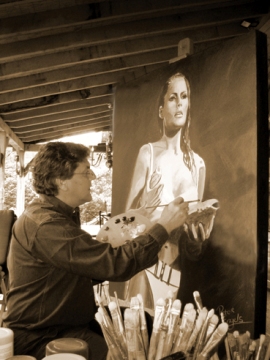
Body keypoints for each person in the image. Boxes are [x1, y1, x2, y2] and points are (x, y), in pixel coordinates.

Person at [2, 141, 189, 360]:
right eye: (86, 171)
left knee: (143, 324)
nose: (93, 176)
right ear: (61, 181)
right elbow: (115, 264)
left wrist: (125, 233)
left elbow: (85, 265)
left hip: (66, 322)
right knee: (126, 354)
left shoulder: (58, 215)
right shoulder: (46, 225)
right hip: (41, 335)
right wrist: (164, 227)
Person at [120, 72, 215, 309]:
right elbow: (124, 223)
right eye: (172, 98)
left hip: (176, 272)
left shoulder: (198, 164)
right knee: (136, 335)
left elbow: (193, 243)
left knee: (164, 342)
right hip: (144, 264)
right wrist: (144, 209)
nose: (180, 102)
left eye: (184, 96)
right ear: (161, 110)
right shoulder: (148, 154)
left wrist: (198, 239)